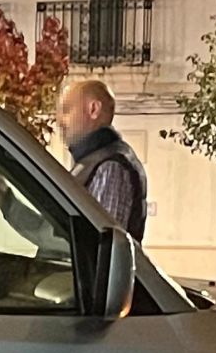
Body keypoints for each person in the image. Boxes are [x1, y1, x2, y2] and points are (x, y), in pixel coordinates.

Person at [57, 78, 148, 241]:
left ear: (93, 109)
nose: (60, 121)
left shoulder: (111, 167)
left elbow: (98, 246)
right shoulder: (93, 162)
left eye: (66, 110)